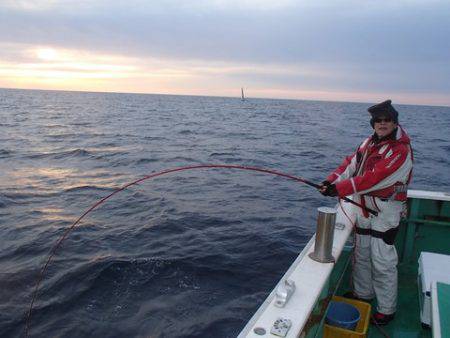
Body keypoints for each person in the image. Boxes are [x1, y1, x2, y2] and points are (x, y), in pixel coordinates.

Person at [320, 99, 413, 325]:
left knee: (382, 260)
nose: (382, 124)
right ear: (373, 124)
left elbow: (374, 178)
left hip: (386, 212)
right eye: (378, 120)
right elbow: (349, 165)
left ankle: (386, 309)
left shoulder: (400, 150)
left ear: (394, 122)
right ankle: (363, 294)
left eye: (387, 120)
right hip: (363, 207)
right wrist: (330, 181)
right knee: (361, 254)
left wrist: (339, 189)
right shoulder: (367, 143)